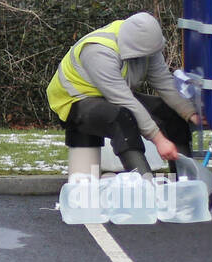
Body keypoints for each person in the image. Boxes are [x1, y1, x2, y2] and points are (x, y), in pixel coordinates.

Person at [46, 12, 202, 177]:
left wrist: (190, 113)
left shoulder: (147, 43)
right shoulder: (98, 51)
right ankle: (144, 184)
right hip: (75, 100)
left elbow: (164, 83)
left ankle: (186, 183)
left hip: (111, 94)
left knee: (170, 114)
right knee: (121, 118)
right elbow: (125, 101)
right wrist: (159, 141)